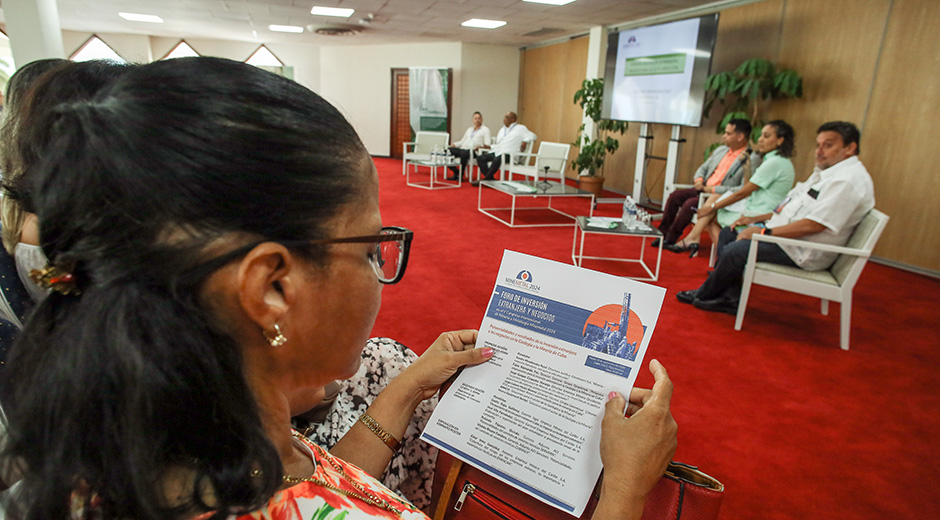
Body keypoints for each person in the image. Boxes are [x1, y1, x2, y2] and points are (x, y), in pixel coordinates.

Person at [0, 57, 676, 520]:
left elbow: (310, 480)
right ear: (270, 287)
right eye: (372, 244)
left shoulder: (131, 437)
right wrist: (624, 492)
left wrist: (408, 385)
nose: (381, 268)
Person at [677, 121, 875, 314]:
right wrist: (756, 220)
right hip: (787, 236)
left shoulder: (847, 181)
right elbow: (791, 208)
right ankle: (729, 295)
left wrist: (764, 231)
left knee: (736, 249)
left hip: (801, 248)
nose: (819, 151)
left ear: (850, 148)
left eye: (828, 145)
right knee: (729, 233)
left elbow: (814, 225)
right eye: (818, 145)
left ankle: (706, 294)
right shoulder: (828, 174)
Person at [666, 120, 796, 257]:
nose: (760, 139)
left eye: (766, 136)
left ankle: (719, 253)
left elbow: (742, 192)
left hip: (759, 211)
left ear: (780, 140)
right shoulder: (775, 160)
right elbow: (747, 186)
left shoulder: (774, 163)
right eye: (761, 135)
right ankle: (711, 248)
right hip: (750, 203)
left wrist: (713, 207)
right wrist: (746, 167)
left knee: (710, 213)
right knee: (701, 205)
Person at [654, 119, 760, 247]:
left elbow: (743, 188)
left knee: (689, 205)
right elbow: (703, 168)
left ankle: (671, 238)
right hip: (702, 188)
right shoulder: (721, 150)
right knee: (675, 196)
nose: (723, 136)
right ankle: (661, 233)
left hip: (719, 195)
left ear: (740, 136)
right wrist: (698, 180)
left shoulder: (751, 158)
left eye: (728, 133)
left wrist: (713, 190)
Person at [471, 111, 536, 185]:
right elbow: (499, 144)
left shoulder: (520, 128)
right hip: (499, 152)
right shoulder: (502, 130)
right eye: (504, 117)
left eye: (507, 117)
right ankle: (490, 179)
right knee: (480, 158)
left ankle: (486, 180)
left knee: (498, 158)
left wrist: (525, 141)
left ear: (513, 119)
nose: (504, 119)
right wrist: (489, 147)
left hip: (510, 154)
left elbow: (533, 136)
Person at [446, 111, 490, 181]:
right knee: (447, 151)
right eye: (475, 118)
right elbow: (462, 141)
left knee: (464, 153)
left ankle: (460, 175)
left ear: (482, 119)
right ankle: (456, 171)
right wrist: (454, 144)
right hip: (463, 148)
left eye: (479, 118)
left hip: (474, 151)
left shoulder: (485, 130)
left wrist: (480, 147)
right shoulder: (469, 129)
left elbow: (487, 144)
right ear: (472, 120)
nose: (477, 120)